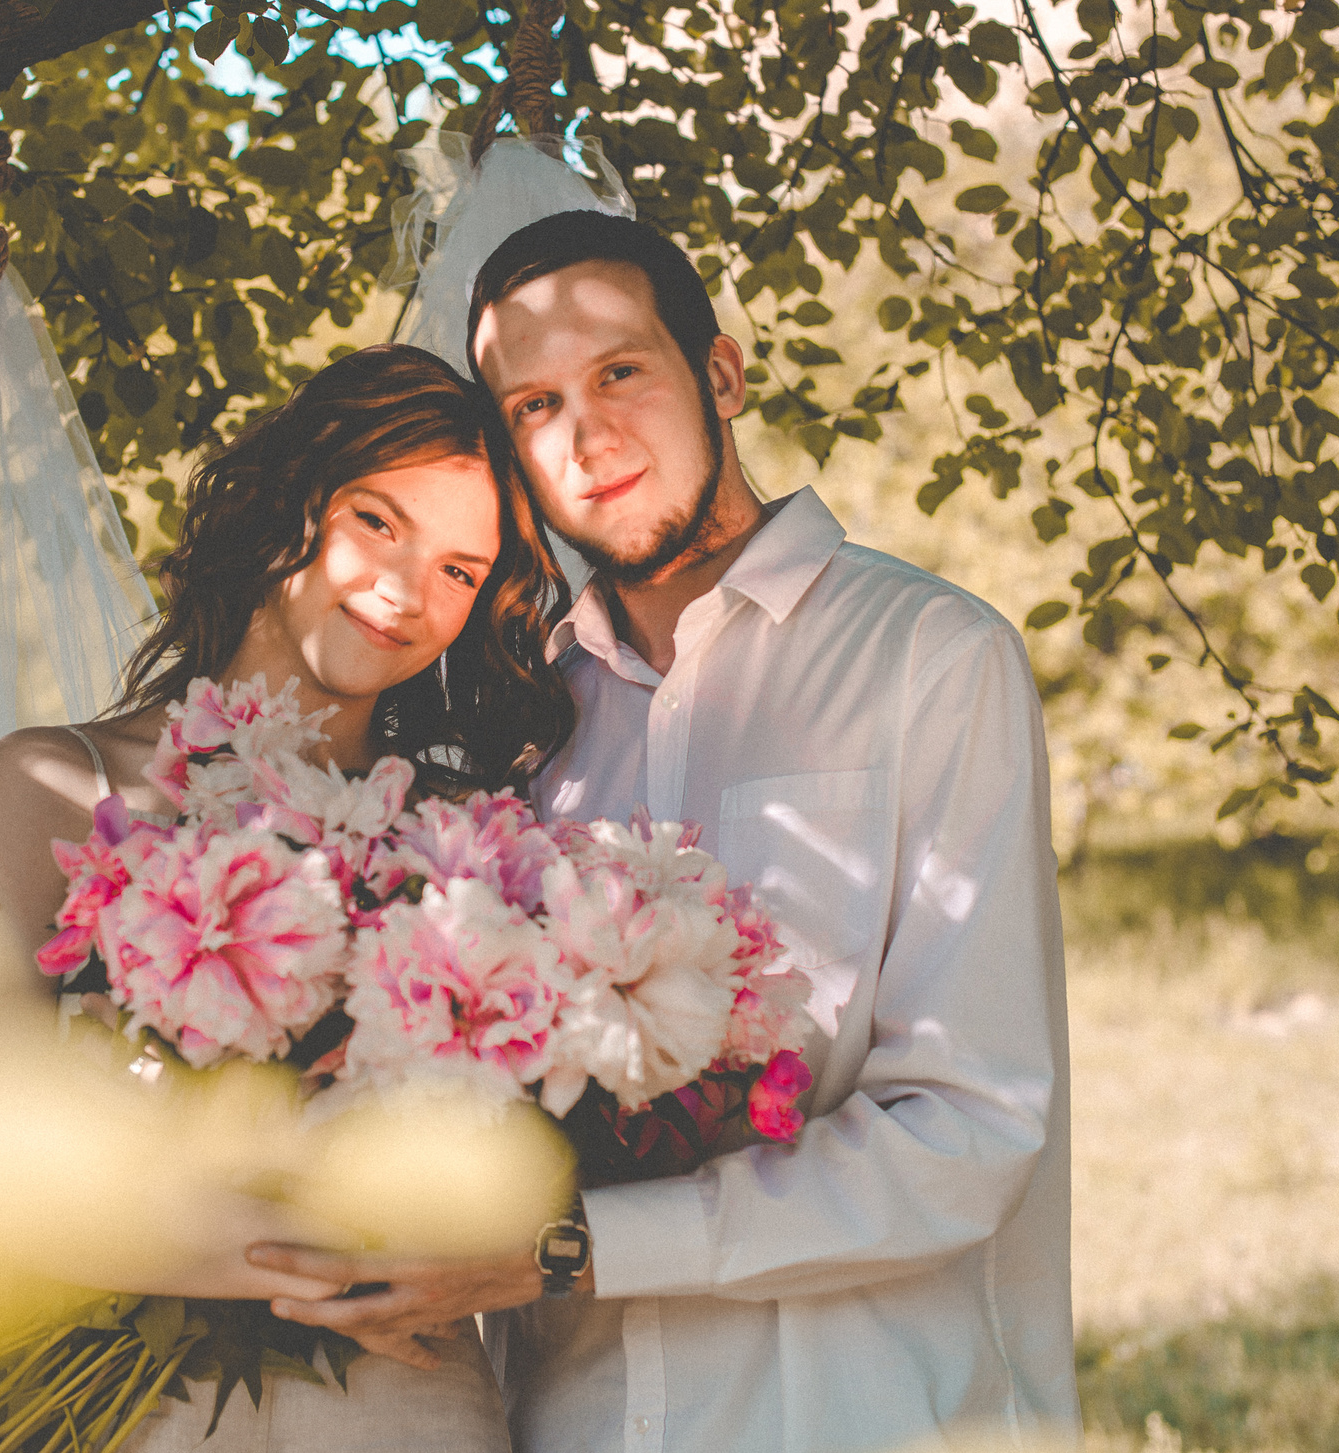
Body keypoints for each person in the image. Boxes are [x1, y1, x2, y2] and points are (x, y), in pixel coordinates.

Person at [256, 210, 1079, 1450]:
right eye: (532, 406)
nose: (584, 439)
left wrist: (568, 1250)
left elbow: (971, 1124)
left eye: (619, 373)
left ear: (724, 372)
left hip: (849, 1412)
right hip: (564, 1418)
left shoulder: (927, 657)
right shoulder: (516, 709)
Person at [0, 342, 576, 1451]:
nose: (404, 590)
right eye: (378, 520)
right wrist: (312, 1258)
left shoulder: (473, 839)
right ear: (292, 501)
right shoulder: (48, 787)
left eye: (461, 571)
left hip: (402, 1402)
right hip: (110, 1399)